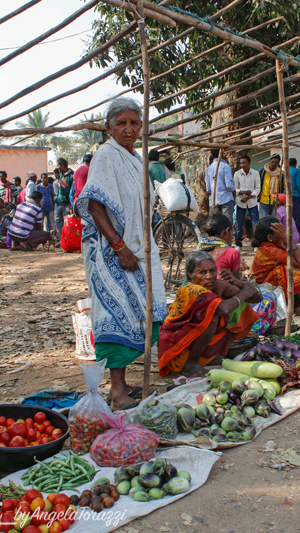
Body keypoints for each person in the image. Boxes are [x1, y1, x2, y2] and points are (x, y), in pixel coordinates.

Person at [74, 97, 167, 411]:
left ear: (141, 126)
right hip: (114, 251)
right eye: (121, 123)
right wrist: (119, 246)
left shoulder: (135, 158)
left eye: (133, 122)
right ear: (108, 127)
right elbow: (95, 204)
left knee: (143, 312)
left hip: (139, 248)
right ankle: (116, 390)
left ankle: (124, 384)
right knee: (116, 316)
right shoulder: (106, 155)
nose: (128, 129)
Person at [158, 251, 261, 377]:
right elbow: (223, 309)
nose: (209, 276)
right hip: (178, 351)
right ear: (190, 277)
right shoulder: (192, 290)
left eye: (212, 271)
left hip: (197, 346)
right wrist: (244, 293)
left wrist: (239, 283)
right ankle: (191, 365)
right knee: (214, 313)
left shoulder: (217, 285)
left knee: (241, 305)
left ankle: (210, 355)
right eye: (202, 272)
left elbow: (256, 298)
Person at [251, 216, 300, 314]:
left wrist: (298, 254)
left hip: (271, 284)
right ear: (270, 238)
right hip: (264, 287)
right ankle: (292, 305)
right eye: (280, 233)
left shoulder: (272, 245)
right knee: (286, 268)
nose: (283, 234)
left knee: (293, 264)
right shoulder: (270, 250)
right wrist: (287, 239)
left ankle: (299, 303)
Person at [199, 214, 242, 278]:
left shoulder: (198, 250)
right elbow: (236, 282)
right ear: (226, 231)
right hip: (223, 287)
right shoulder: (233, 253)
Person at [232, 155, 260, 249]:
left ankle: (256, 244)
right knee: (239, 224)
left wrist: (248, 197)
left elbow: (257, 189)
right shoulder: (237, 174)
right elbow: (234, 189)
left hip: (252, 202)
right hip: (240, 202)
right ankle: (238, 244)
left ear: (249, 163)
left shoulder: (255, 173)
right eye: (241, 163)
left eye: (244, 163)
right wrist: (243, 192)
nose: (242, 165)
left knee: (255, 224)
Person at [205, 149, 235, 222]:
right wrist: (234, 190)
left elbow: (208, 189)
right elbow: (229, 185)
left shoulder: (208, 169)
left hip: (214, 199)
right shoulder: (225, 166)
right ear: (221, 154)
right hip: (226, 198)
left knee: (216, 223)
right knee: (227, 222)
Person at [54, 158, 74, 239]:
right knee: (58, 221)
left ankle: (67, 239)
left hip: (67, 203)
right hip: (59, 202)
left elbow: (72, 190)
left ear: (62, 165)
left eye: (58, 165)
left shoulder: (71, 176)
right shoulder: (60, 176)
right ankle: (60, 238)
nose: (57, 167)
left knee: (67, 222)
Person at [288, 158, 300, 228]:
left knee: (289, 214)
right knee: (297, 215)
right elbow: (298, 184)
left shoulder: (285, 171)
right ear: (295, 164)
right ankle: (296, 231)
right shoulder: (297, 171)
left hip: (287, 196)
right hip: (295, 196)